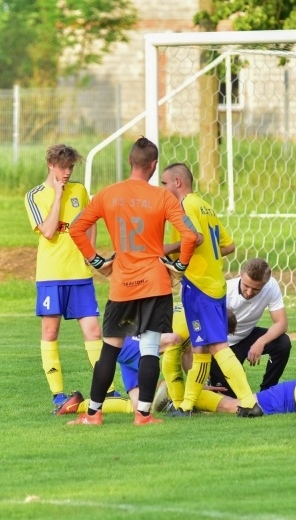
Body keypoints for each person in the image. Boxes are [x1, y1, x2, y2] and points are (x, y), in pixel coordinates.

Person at [67, 137, 198, 426]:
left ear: (130, 162)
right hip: (155, 284)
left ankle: (93, 415)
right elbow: (190, 236)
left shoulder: (107, 195)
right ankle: (143, 416)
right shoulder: (163, 197)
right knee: (150, 349)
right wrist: (180, 265)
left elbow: (76, 229)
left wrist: (98, 262)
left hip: (122, 284)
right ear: (153, 166)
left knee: (109, 351)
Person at [160, 163, 262, 417]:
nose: (162, 188)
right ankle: (187, 406)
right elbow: (228, 246)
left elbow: (194, 238)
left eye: (164, 183)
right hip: (214, 284)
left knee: (217, 346)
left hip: (199, 286)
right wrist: (206, 257)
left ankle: (249, 403)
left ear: (177, 182)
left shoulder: (184, 206)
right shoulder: (205, 206)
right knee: (201, 350)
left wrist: (167, 249)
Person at [24, 144, 112, 411]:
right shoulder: (34, 196)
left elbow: (92, 221)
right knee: (50, 332)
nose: (67, 172)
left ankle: (107, 390)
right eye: (63, 167)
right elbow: (49, 231)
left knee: (94, 331)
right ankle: (58, 394)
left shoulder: (80, 191)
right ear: (51, 165)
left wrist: (91, 254)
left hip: (80, 275)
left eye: (71, 168)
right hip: (51, 275)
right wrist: (58, 196)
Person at [209, 258, 292, 396]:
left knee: (282, 343)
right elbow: (208, 332)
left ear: (265, 284)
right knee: (228, 397)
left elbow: (281, 324)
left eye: (255, 289)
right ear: (240, 274)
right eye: (246, 286)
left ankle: (268, 393)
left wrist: (260, 342)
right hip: (222, 345)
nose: (249, 292)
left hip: (246, 338)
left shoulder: (271, 286)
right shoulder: (224, 291)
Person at [55, 332, 182, 415]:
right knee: (173, 339)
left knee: (140, 407)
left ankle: (78, 406)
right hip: (129, 339)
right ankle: (179, 398)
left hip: (123, 345)